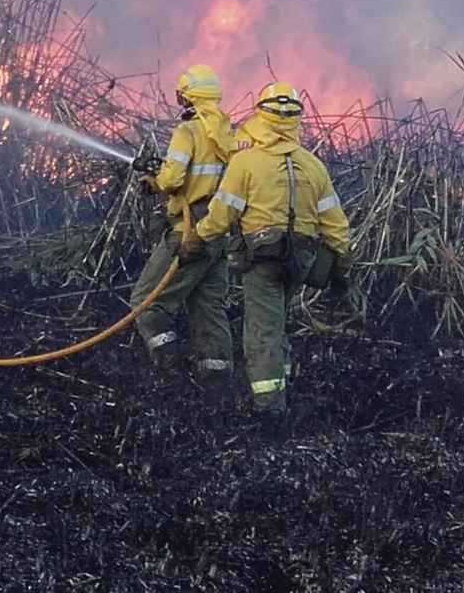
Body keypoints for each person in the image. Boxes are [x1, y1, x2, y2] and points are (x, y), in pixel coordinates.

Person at [181, 81, 351, 418]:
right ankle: (282, 388)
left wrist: (196, 239)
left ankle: (270, 410)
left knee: (261, 333)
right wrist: (341, 264)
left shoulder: (246, 162)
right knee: (277, 324)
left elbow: (221, 214)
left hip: (262, 260)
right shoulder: (314, 166)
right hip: (300, 260)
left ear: (261, 116)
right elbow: (335, 224)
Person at [129, 64, 236, 378]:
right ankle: (218, 387)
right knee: (209, 311)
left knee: (145, 303)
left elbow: (174, 177)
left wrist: (156, 181)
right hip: (217, 232)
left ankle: (172, 374)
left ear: (188, 99)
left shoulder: (188, 131)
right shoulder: (225, 133)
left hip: (188, 230)